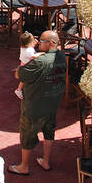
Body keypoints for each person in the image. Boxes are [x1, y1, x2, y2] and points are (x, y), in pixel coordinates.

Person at [12, 29, 68, 175]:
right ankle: (46, 161)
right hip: (53, 104)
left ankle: (23, 166)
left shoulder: (40, 61)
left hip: (35, 106)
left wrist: (20, 67)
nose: (38, 43)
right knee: (49, 132)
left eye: (41, 41)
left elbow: (19, 74)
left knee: (27, 134)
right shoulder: (61, 57)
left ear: (50, 43)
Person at [14, 31, 37, 99]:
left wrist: (34, 42)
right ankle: (18, 90)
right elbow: (34, 56)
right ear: (29, 43)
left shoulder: (23, 47)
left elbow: (31, 47)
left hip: (23, 64)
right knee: (23, 80)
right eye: (32, 41)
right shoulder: (28, 50)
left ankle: (21, 89)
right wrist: (41, 53)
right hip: (26, 67)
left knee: (24, 80)